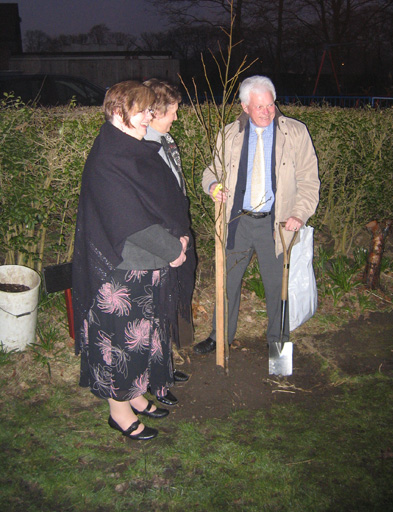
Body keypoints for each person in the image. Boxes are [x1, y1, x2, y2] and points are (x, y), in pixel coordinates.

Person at [72, 80, 193, 441]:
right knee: (119, 345)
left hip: (147, 266)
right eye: (140, 111)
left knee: (144, 338)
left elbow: (160, 202)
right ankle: (119, 411)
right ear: (116, 113)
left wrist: (178, 237)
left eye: (148, 110)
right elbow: (130, 223)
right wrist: (175, 250)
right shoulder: (110, 157)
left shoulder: (133, 149)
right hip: (120, 273)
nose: (147, 117)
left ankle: (137, 394)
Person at [193, 75, 320, 354]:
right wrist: (213, 186)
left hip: (276, 225)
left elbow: (310, 181)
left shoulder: (296, 133)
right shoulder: (229, 134)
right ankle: (219, 337)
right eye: (259, 107)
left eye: (270, 105)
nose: (267, 112)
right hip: (237, 222)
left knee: (278, 288)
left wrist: (299, 214)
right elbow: (211, 172)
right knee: (226, 284)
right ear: (245, 107)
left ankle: (278, 341)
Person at [143, 78, 196, 404]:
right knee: (155, 308)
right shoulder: (144, 146)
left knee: (172, 302)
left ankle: (165, 364)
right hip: (159, 240)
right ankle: (153, 377)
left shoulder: (164, 139)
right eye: (172, 111)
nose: (176, 117)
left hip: (176, 231)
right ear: (154, 112)